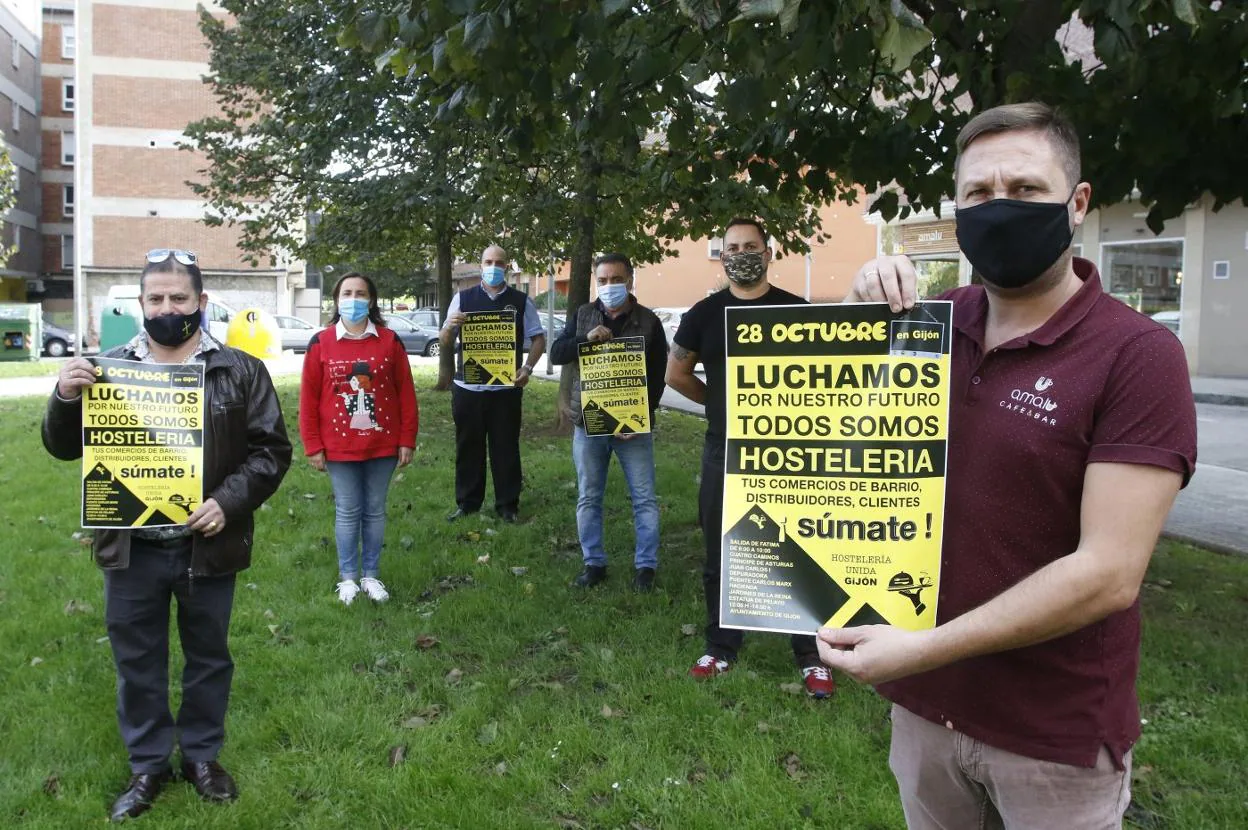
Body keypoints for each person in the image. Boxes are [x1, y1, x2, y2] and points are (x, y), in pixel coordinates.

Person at [819, 102, 1198, 828]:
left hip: (1050, 732)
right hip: (927, 707)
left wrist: (921, 648)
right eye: (979, 194)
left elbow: (1109, 573)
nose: (999, 209)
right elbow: (832, 441)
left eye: (1024, 190)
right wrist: (851, 308)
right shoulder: (931, 324)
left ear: (1076, 203)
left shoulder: (1139, 355)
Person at [42, 249, 292, 822]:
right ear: (140, 304)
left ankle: (203, 757)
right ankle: (148, 764)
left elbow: (272, 452)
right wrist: (63, 397)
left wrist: (227, 502)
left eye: (179, 298)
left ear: (201, 302)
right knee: (138, 661)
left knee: (208, 656)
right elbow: (62, 447)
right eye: (155, 298)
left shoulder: (239, 369)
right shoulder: (107, 367)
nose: (167, 308)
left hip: (208, 542)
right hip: (131, 548)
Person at [666, 218, 836, 699]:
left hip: (789, 452)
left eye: (751, 246)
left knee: (800, 548)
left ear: (768, 252)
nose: (742, 253)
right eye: (732, 247)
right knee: (722, 547)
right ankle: (721, 647)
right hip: (725, 448)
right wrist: (719, 402)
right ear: (722, 256)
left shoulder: (796, 310)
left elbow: (824, 375)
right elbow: (676, 373)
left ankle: (810, 655)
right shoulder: (704, 313)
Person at [549, 253, 669, 592]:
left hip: (634, 428)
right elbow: (557, 353)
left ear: (630, 281)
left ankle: (646, 567)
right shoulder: (583, 314)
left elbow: (658, 377)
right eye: (602, 280)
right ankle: (594, 563)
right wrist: (584, 339)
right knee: (589, 495)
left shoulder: (648, 321)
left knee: (644, 497)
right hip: (589, 424)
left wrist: (641, 416)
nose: (609, 286)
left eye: (616, 279)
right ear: (595, 283)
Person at [299, 272, 419, 606]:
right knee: (348, 511)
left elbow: (406, 393)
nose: (354, 299)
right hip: (338, 448)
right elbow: (308, 399)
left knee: (375, 511)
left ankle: (371, 575)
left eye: (361, 293)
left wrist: (407, 438)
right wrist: (313, 445)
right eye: (347, 293)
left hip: (383, 445)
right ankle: (348, 578)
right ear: (337, 300)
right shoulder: (321, 343)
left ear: (372, 299)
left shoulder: (389, 341)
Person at [439, 244, 546, 523]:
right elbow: (444, 340)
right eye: (489, 261)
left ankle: (507, 506)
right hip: (467, 389)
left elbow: (538, 339)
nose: (494, 267)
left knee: (506, 448)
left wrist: (527, 368)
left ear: (507, 267)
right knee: (468, 448)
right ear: (481, 263)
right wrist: (450, 326)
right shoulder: (462, 298)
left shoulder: (522, 301)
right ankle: (467, 504)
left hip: (505, 390)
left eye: (499, 262)